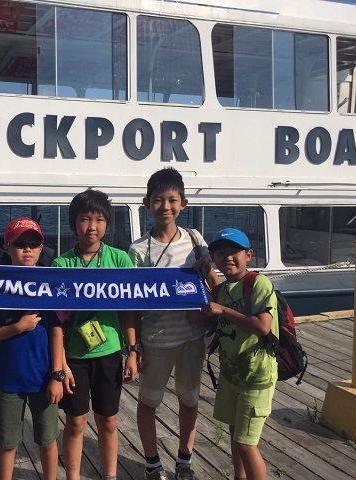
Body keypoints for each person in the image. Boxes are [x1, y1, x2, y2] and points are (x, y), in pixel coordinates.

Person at [128, 167, 219, 480]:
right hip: (156, 339)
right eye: (157, 200)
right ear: (146, 204)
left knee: (189, 400)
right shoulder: (138, 249)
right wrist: (134, 346)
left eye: (171, 200)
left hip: (192, 338)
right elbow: (133, 303)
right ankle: (153, 463)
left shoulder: (195, 239)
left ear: (183, 203)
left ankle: (184, 460)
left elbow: (213, 281)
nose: (164, 207)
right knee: (148, 402)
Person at [51, 189, 138, 480]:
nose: (92, 226)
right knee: (75, 422)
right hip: (74, 357)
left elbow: (129, 311)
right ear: (73, 223)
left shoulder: (120, 259)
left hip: (110, 352)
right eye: (85, 219)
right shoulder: (62, 265)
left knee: (108, 421)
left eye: (99, 219)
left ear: (107, 224)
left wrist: (133, 351)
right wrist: (62, 365)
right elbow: (57, 323)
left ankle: (110, 475)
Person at [0, 217, 62, 480]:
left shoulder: (49, 285)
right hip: (8, 379)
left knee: (47, 439)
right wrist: (18, 326)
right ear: (7, 247)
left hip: (44, 378)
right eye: (19, 243)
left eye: (33, 243)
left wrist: (58, 375)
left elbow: (57, 331)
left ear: (41, 248)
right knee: (7, 443)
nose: (27, 248)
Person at [197, 228, 278, 480]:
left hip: (256, 376)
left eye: (235, 252)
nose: (228, 257)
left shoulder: (258, 283)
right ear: (213, 257)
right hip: (231, 375)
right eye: (221, 253)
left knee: (246, 443)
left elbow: (263, 326)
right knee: (234, 434)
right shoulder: (222, 290)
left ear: (248, 255)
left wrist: (223, 311)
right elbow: (210, 320)